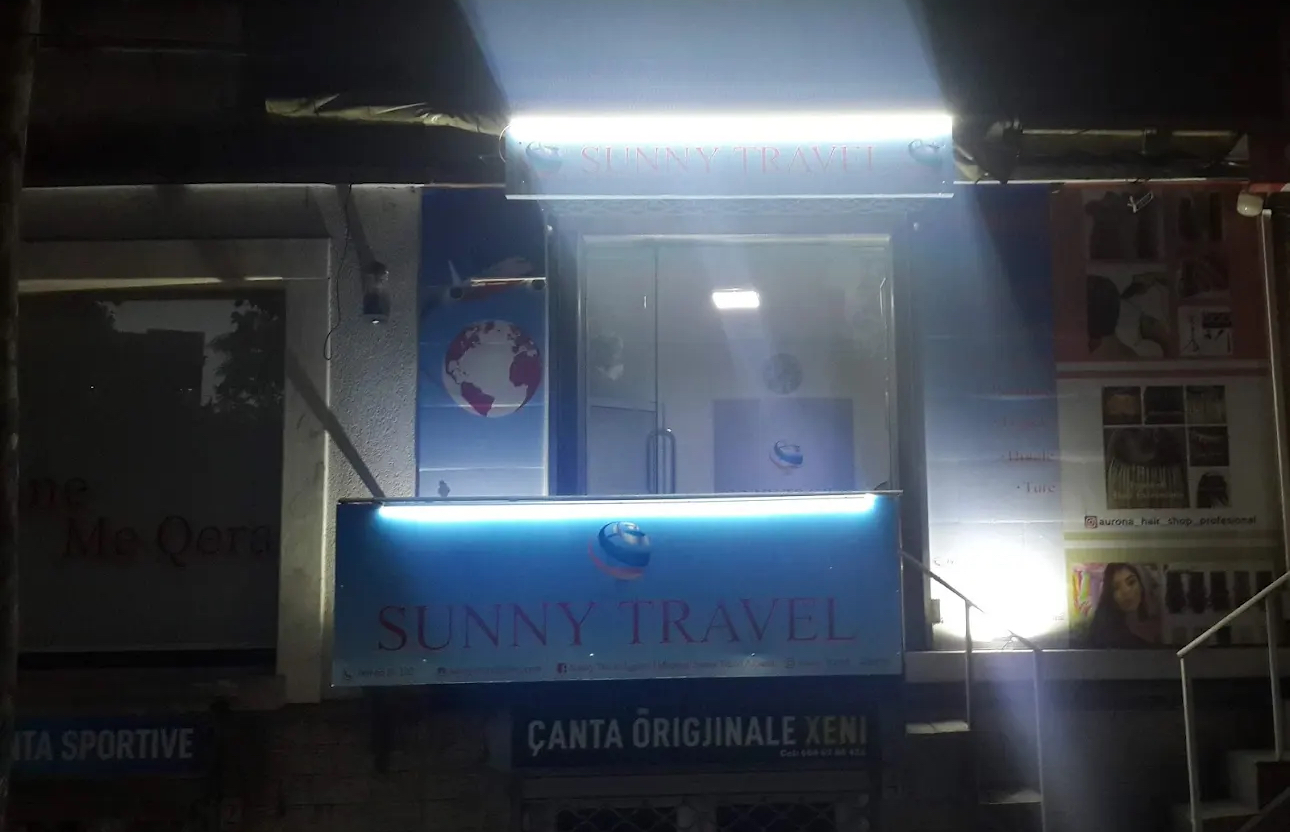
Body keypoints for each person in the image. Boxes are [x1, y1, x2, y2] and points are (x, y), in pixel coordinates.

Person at [1086, 562, 1161, 648]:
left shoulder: (1154, 620)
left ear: (1141, 585)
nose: (1126, 591)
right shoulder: (1110, 633)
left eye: (1131, 582)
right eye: (1116, 587)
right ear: (1110, 595)